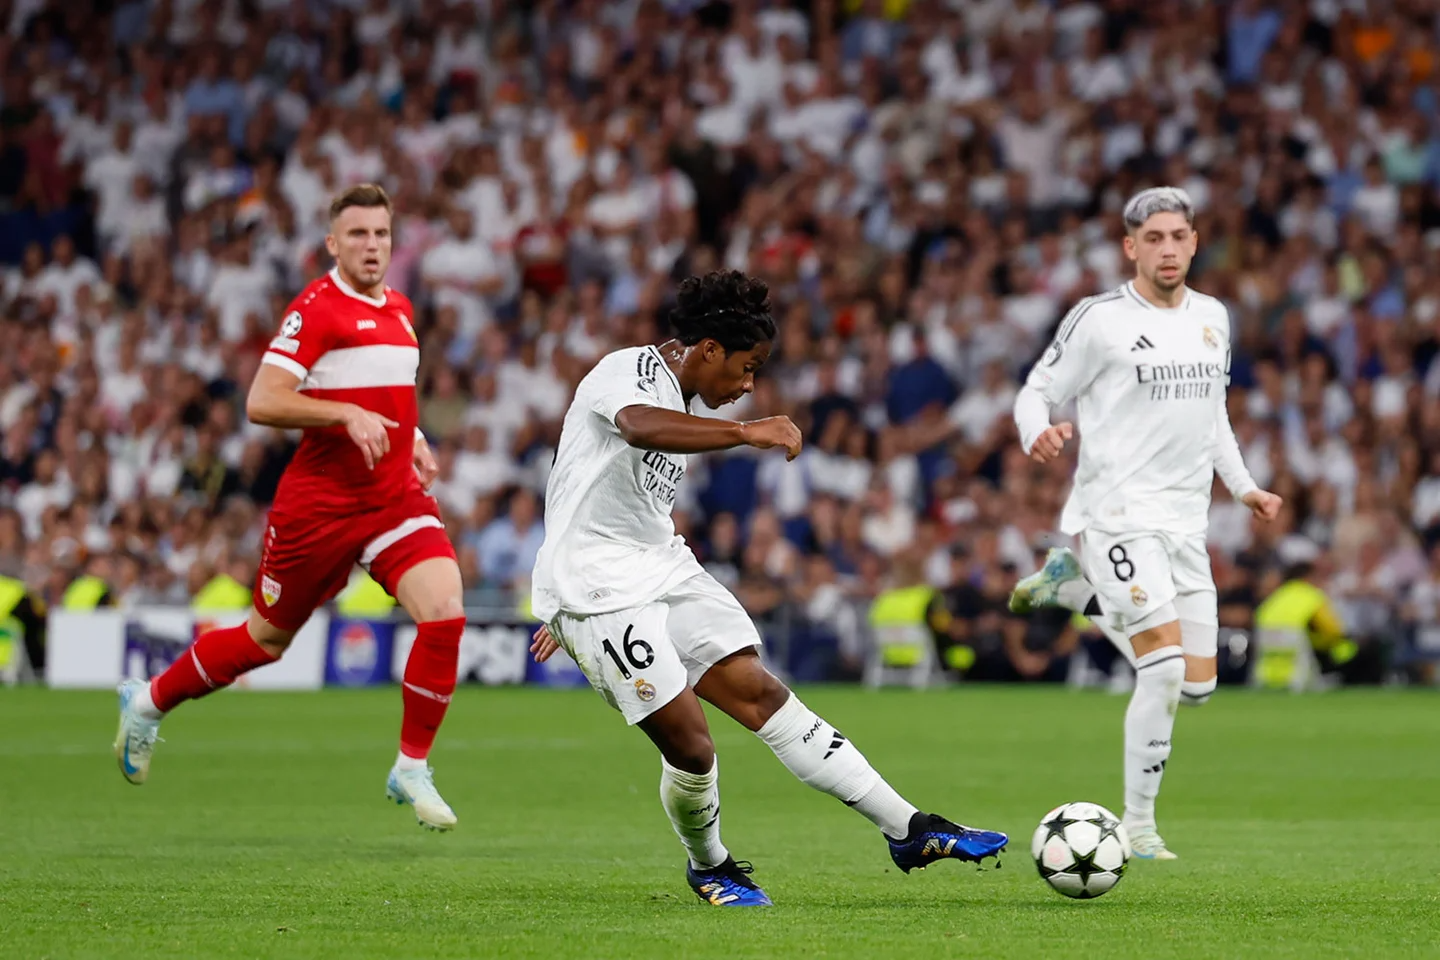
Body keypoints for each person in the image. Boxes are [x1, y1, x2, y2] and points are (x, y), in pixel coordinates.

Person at [527, 271, 1006, 907]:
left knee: (761, 692)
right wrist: (745, 431)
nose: (749, 385)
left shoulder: (687, 399)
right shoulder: (629, 371)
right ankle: (711, 866)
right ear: (708, 351)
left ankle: (909, 828)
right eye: (746, 368)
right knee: (692, 747)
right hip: (597, 585)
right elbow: (639, 426)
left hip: (657, 566)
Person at [113, 185, 468, 832]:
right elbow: (263, 400)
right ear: (332, 244)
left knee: (445, 610)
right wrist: (344, 413)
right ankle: (149, 701)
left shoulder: (401, 309)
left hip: (390, 501)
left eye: (381, 234)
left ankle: (410, 765)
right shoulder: (317, 308)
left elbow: (385, 390)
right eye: (357, 234)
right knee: (265, 640)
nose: (371, 246)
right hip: (319, 511)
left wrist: (411, 436)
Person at [1006, 187, 1283, 859]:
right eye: (1152, 238)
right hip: (1118, 513)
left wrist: (1245, 487)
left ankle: (1073, 591)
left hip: (1187, 523)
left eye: (1178, 237)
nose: (1167, 248)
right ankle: (1138, 826)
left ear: (1194, 242)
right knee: (1158, 669)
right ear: (1131, 247)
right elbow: (1035, 390)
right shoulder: (1097, 320)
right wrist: (1035, 434)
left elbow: (1212, 413)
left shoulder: (1213, 317)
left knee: (1197, 685)